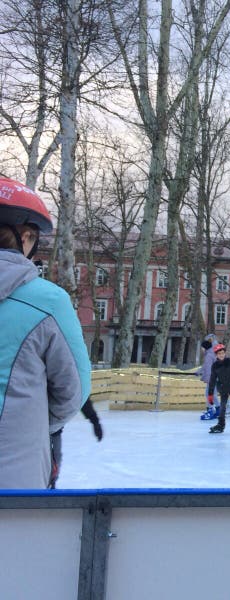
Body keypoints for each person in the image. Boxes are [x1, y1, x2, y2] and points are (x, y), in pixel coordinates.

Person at [0, 177, 91, 488]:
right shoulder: (49, 302)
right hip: (15, 483)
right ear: (25, 236)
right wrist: (36, 422)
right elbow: (73, 391)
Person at [49, 399, 103, 489]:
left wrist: (94, 421)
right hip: (34, 432)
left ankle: (51, 488)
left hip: (54, 430)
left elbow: (79, 394)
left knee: (53, 466)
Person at [206, 344, 230, 434]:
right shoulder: (215, 365)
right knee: (222, 407)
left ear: (225, 353)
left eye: (223, 353)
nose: (221, 355)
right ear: (216, 355)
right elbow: (212, 380)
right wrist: (210, 394)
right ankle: (220, 425)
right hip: (223, 388)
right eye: (219, 354)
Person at [197, 338, 220, 420]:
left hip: (212, 378)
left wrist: (208, 379)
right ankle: (218, 410)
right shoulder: (211, 354)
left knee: (209, 394)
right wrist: (199, 371)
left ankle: (211, 411)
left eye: (202, 347)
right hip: (215, 378)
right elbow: (205, 366)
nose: (201, 349)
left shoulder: (209, 355)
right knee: (212, 395)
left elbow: (209, 369)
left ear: (204, 347)